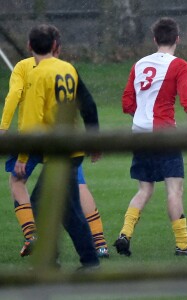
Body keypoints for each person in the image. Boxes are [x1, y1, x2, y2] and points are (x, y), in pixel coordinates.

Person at [0, 27, 109, 258]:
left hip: (36, 140)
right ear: (56, 45)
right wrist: (93, 138)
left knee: (18, 181)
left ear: (29, 46)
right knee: (78, 190)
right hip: (66, 142)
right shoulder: (68, 68)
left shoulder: (26, 68)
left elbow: (14, 99)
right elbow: (88, 105)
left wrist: (4, 129)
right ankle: (99, 244)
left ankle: (32, 236)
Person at [113, 17, 187, 256]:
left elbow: (127, 102)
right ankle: (183, 245)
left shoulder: (139, 64)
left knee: (144, 190)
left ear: (155, 39)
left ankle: (124, 234)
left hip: (139, 133)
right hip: (165, 133)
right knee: (174, 190)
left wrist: (142, 119)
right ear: (177, 39)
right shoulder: (179, 65)